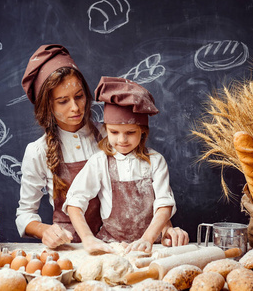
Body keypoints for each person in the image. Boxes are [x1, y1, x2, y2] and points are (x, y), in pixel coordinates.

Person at [63, 76, 189, 254]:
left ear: (143, 132)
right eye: (114, 132)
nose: (122, 140)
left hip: (151, 244)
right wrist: (88, 238)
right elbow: (74, 202)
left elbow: (164, 205)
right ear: (106, 129)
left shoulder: (156, 160)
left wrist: (148, 238)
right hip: (111, 245)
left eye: (130, 132)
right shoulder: (99, 161)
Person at [15, 44, 103, 248]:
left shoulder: (110, 135)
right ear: (48, 106)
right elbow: (24, 214)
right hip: (70, 248)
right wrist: (45, 230)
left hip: (117, 243)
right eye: (63, 101)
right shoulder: (38, 151)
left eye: (79, 96)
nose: (75, 107)